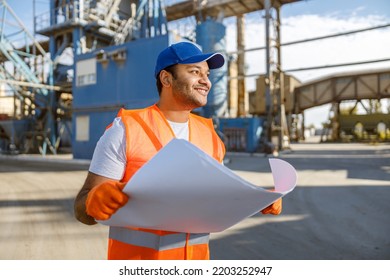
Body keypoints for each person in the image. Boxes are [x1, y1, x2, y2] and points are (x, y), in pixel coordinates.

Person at [74, 41, 282, 260]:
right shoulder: (126, 129)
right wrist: (91, 201)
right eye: (195, 71)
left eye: (207, 74)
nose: (206, 81)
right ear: (166, 79)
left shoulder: (210, 137)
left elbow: (218, 200)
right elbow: (81, 209)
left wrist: (257, 199)